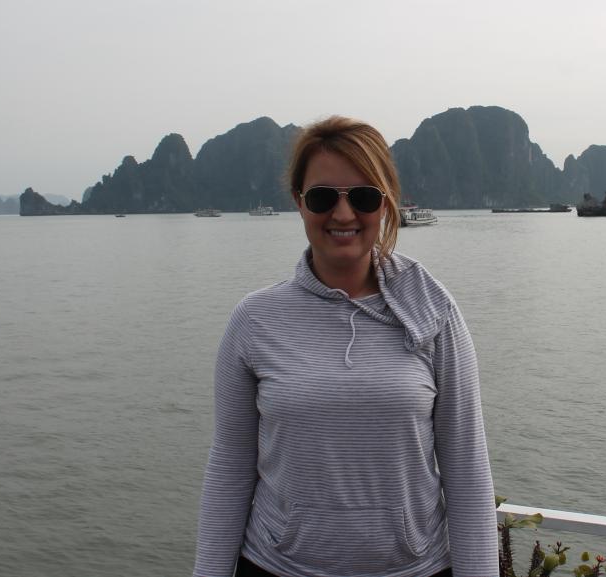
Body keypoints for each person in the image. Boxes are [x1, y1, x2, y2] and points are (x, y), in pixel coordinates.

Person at [192, 116, 497, 577]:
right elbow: (230, 468)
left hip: (415, 569)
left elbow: (466, 466)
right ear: (298, 202)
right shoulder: (254, 320)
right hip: (277, 567)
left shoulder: (433, 310)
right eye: (321, 197)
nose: (343, 214)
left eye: (363, 196)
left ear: (386, 202)